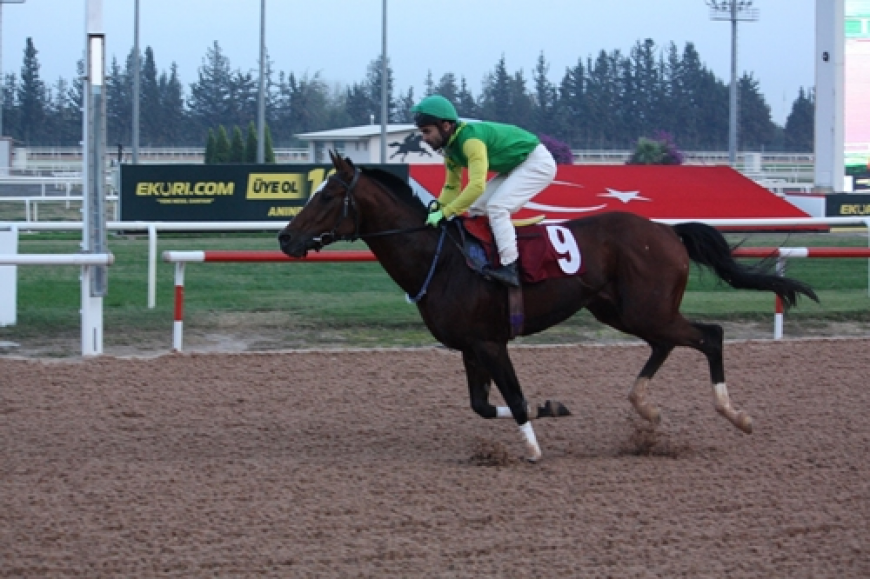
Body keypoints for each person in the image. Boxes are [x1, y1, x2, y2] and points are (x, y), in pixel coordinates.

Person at [411, 94, 556, 287]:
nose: (425, 138)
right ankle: (489, 257)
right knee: (477, 208)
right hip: (515, 165)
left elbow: (477, 185)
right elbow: (451, 187)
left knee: (497, 207)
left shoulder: (470, 140)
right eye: (422, 132)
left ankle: (510, 266)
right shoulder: (450, 150)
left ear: (445, 126)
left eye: (427, 131)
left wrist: (446, 213)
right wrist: (438, 207)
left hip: (537, 162)